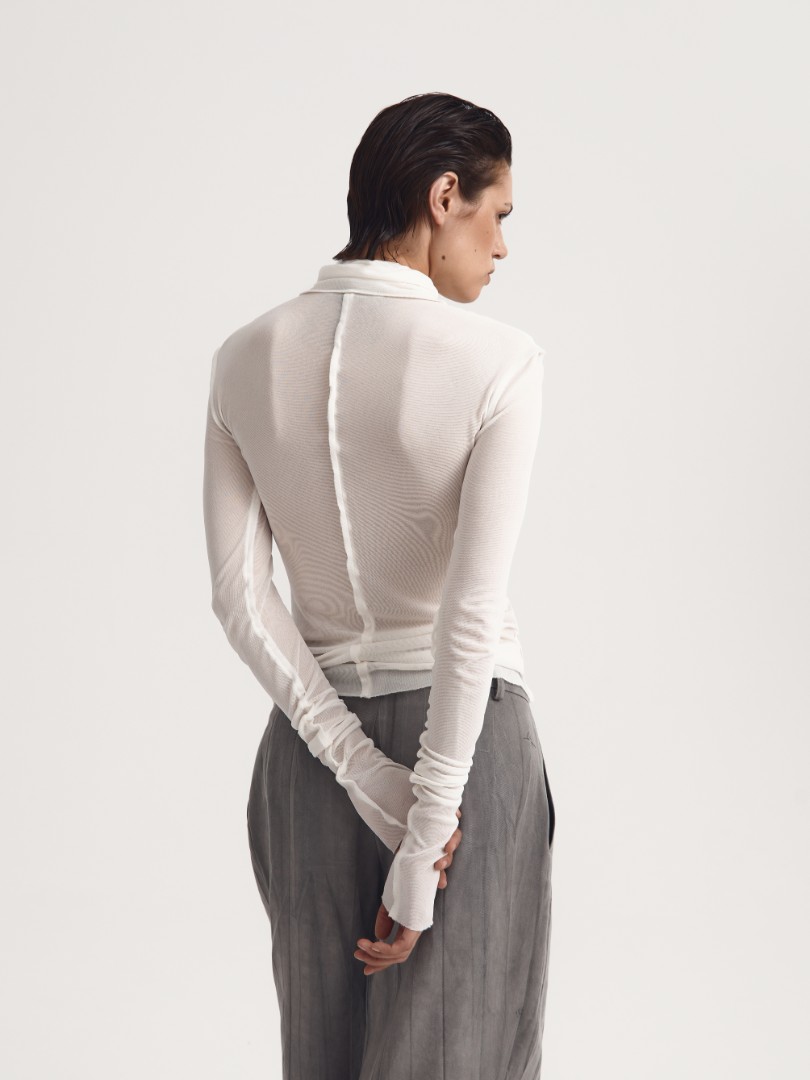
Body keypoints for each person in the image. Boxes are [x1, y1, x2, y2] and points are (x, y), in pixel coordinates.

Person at [202, 91, 556, 1079]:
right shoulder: (500, 361)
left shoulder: (243, 357)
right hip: (464, 755)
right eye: (498, 214)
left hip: (307, 762)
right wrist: (426, 822)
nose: (503, 246)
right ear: (445, 197)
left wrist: (363, 776)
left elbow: (240, 595)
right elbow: (467, 616)